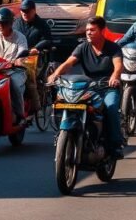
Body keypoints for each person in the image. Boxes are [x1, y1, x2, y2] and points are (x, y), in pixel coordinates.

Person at [47, 17, 125, 159]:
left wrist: (114, 77)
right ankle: (68, 134)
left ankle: (115, 144)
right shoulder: (82, 47)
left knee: (111, 107)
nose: (88, 33)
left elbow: (118, 65)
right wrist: (55, 74)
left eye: (92, 30)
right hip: (88, 88)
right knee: (67, 104)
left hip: (107, 87)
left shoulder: (113, 48)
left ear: (102, 31)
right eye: (87, 30)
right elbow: (69, 63)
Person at [13, 0, 54, 109]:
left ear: (34, 11)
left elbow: (47, 40)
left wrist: (37, 48)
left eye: (27, 11)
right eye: (22, 11)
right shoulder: (16, 23)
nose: (24, 14)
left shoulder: (42, 24)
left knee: (29, 77)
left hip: (35, 56)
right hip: (16, 56)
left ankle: (37, 106)